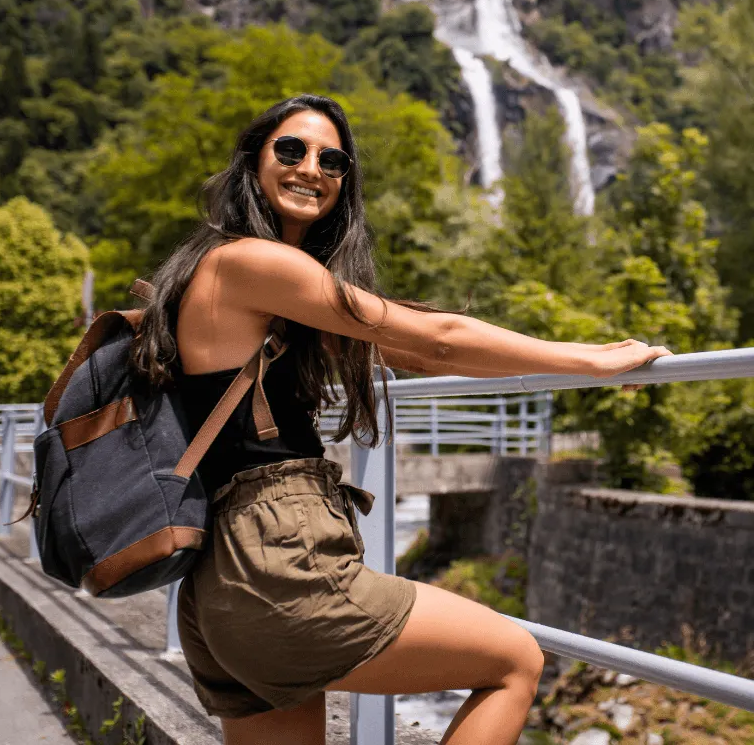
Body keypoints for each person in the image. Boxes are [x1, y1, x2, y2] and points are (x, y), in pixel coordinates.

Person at [129, 93, 672, 745]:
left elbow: (410, 344)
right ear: (253, 162)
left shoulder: (246, 278)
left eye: (332, 158)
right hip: (278, 564)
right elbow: (436, 338)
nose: (311, 167)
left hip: (220, 589)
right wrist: (591, 358)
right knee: (515, 661)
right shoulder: (252, 262)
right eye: (291, 150)